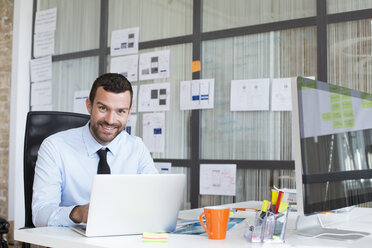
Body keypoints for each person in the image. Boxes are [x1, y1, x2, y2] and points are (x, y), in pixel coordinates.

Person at [32, 73, 158, 227]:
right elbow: (40, 215)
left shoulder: (137, 148)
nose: (110, 120)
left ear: (129, 111)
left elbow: (155, 201)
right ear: (89, 105)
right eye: (103, 108)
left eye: (121, 111)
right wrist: (79, 213)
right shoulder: (55, 147)